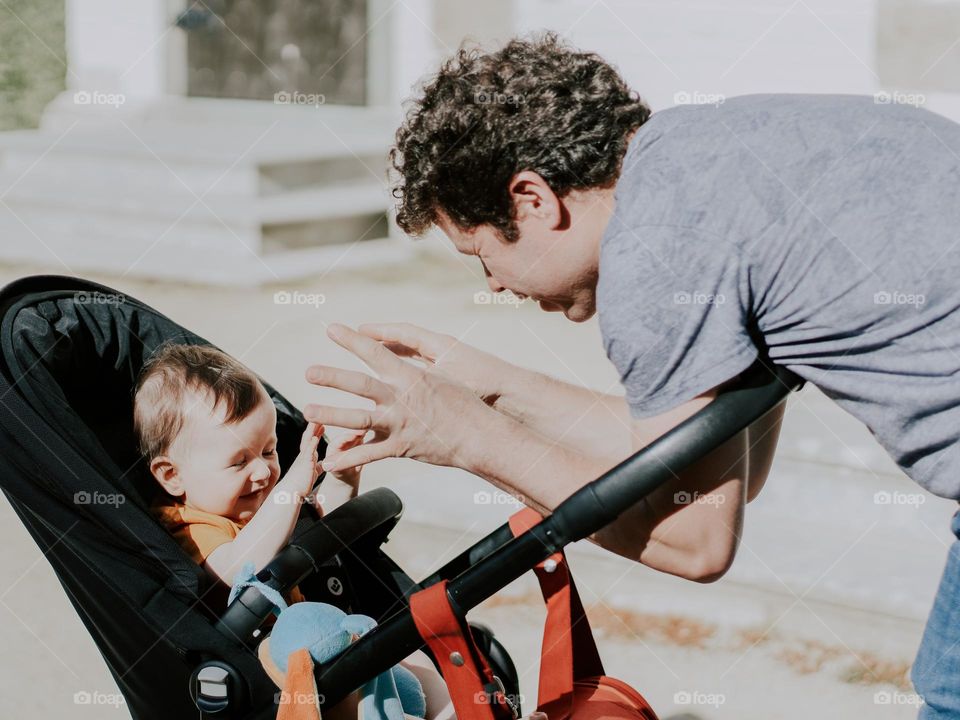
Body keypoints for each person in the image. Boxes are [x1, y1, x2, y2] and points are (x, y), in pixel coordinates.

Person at [303, 33, 960, 719]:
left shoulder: (651, 258)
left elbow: (695, 539)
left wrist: (466, 438)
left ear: (530, 200)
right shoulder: (697, 160)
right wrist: (492, 387)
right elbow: (701, 458)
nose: (493, 286)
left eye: (482, 255)